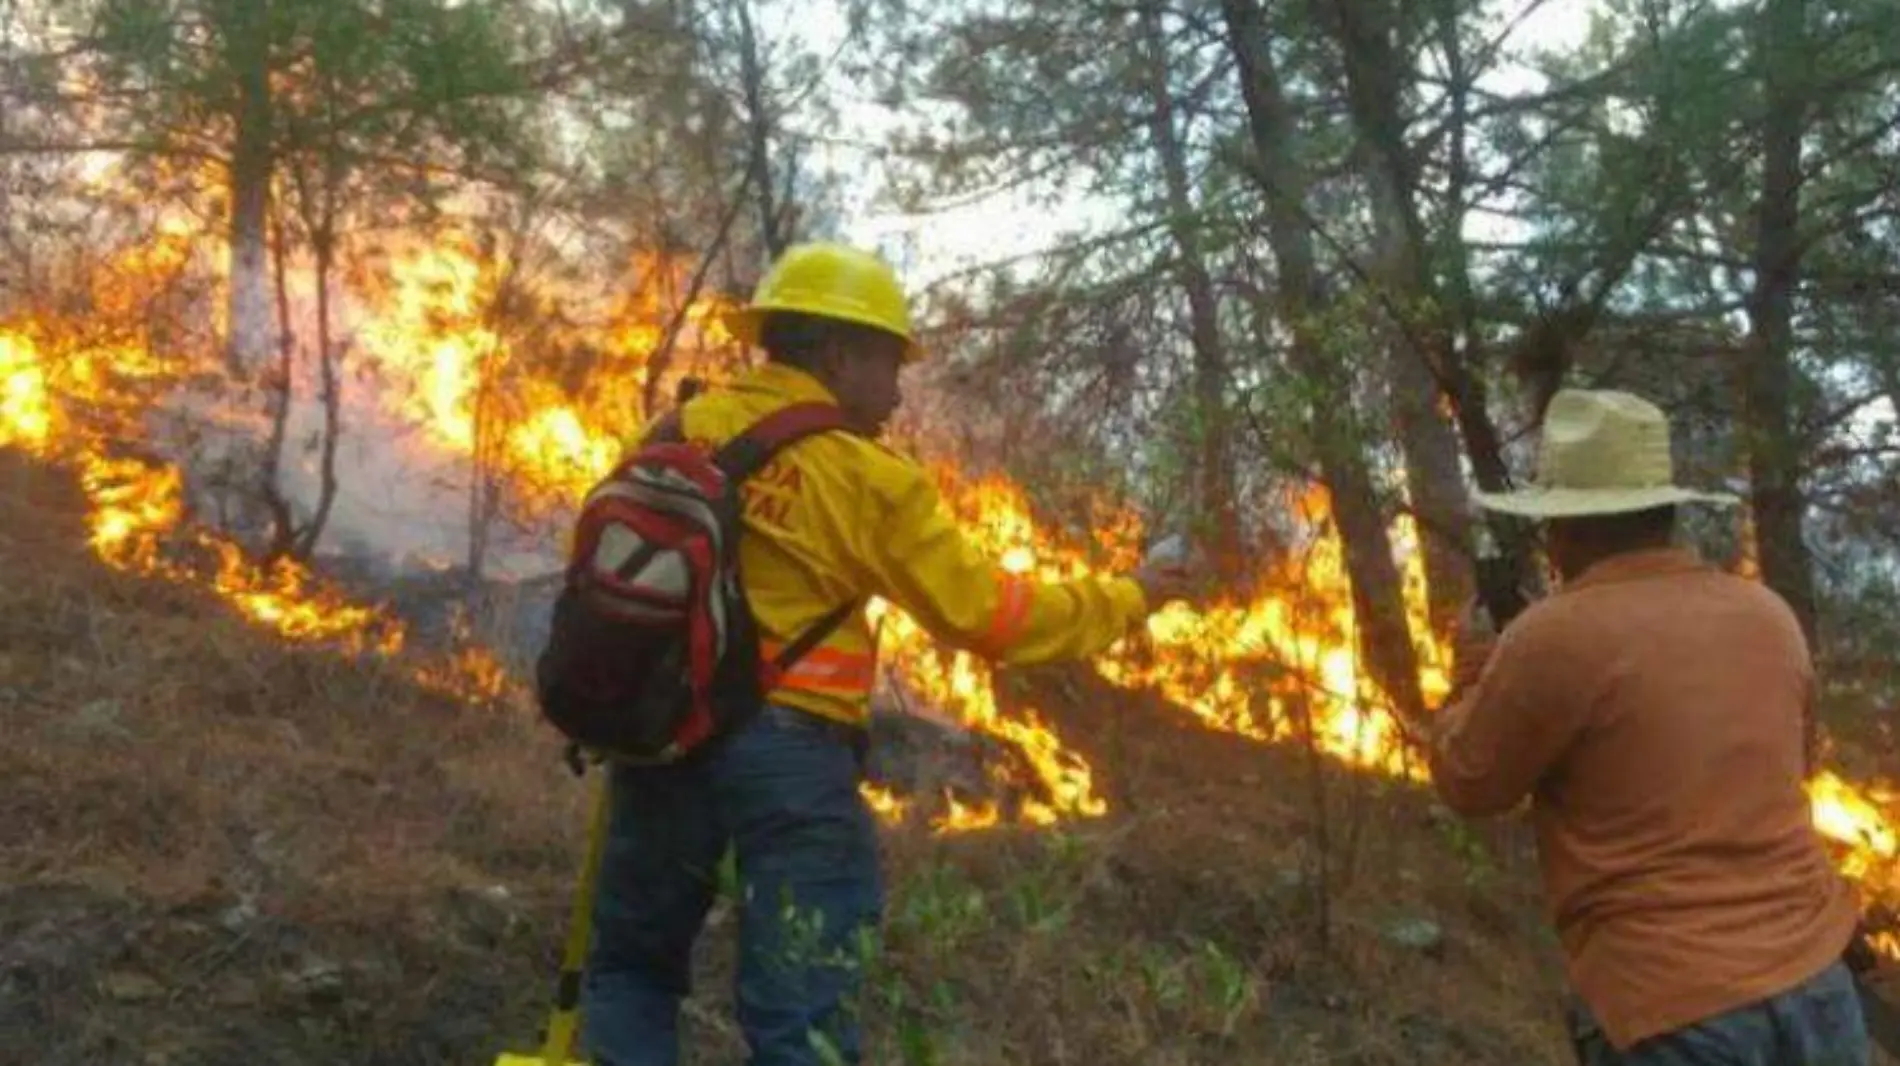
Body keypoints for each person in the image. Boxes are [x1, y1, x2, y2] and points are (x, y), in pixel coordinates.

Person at [582, 241, 1198, 1066]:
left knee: (630, 970)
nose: (900, 390)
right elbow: (992, 617)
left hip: (659, 736)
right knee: (802, 1009)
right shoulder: (868, 475)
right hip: (788, 761)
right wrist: (1134, 595)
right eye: (890, 363)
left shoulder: (676, 428)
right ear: (839, 354)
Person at [1431, 388, 1867, 1066]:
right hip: (1819, 985)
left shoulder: (1552, 635)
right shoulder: (1768, 615)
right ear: (1666, 514)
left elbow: (1468, 782)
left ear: (1566, 529)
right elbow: (1792, 765)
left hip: (1674, 1008)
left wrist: (1470, 682)